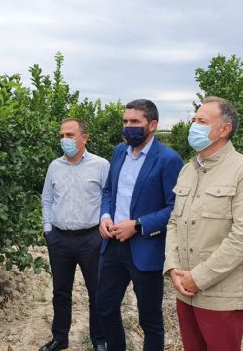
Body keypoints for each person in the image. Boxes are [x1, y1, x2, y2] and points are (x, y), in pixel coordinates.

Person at [164, 96, 243, 351]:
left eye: (202, 121)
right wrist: (173, 267)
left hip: (221, 296)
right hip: (184, 292)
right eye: (194, 120)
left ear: (224, 129)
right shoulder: (188, 170)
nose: (194, 126)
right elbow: (174, 222)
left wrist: (198, 278)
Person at [96, 99, 184, 351]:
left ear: (152, 125)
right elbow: (108, 192)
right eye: (125, 121)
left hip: (145, 248)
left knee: (150, 318)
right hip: (112, 245)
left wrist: (137, 225)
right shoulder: (118, 152)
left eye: (135, 122)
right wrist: (105, 216)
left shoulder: (168, 159)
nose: (128, 126)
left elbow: (174, 207)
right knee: (105, 307)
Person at [40, 118, 110, 351]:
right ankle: (60, 338)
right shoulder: (54, 166)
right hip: (60, 238)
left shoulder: (100, 165)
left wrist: (104, 227)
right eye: (61, 136)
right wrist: (49, 230)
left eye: (70, 135)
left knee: (96, 292)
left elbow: (109, 198)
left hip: (91, 237)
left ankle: (99, 340)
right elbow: (47, 199)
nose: (65, 140)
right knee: (60, 292)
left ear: (84, 138)